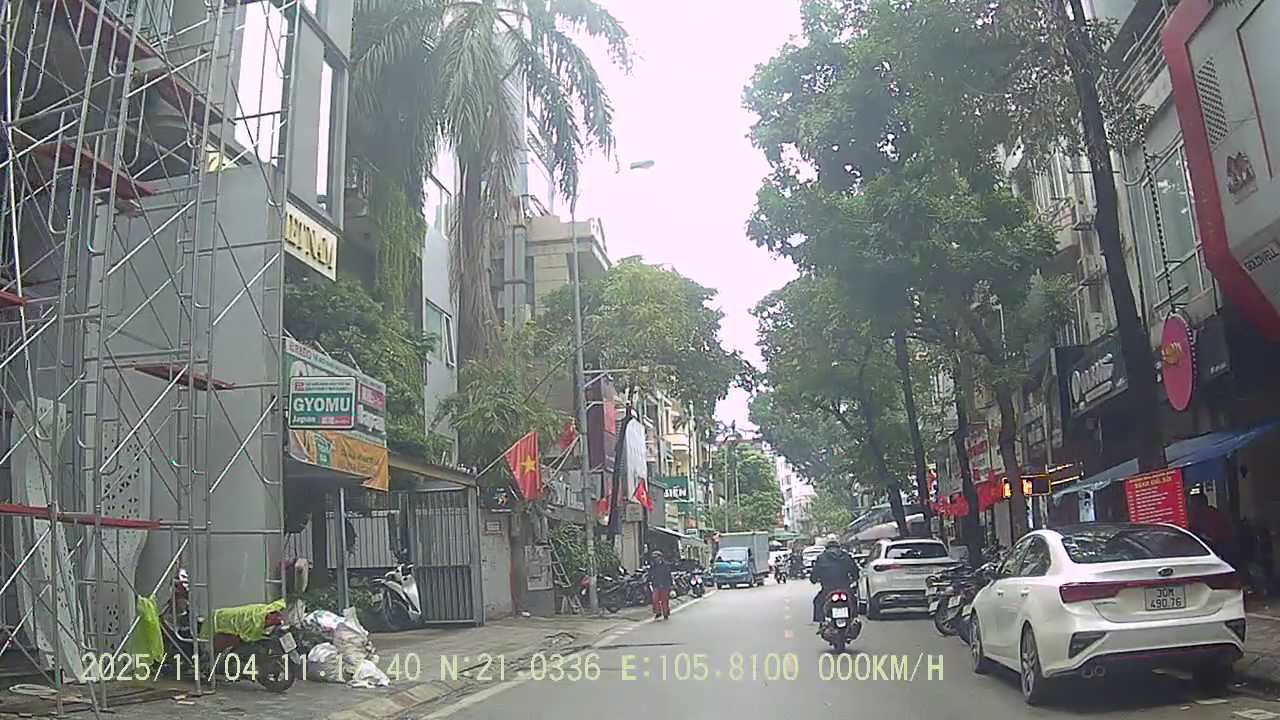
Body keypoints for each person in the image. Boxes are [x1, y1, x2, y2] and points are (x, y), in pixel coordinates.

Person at [810, 535, 858, 629]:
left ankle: (822, 622)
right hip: (845, 589)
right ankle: (854, 618)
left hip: (828, 590)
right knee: (853, 600)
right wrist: (854, 579)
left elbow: (814, 575)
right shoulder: (846, 556)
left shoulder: (821, 558)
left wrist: (814, 579)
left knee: (817, 602)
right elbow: (855, 571)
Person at [648, 550, 674, 620]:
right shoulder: (653, 566)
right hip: (656, 584)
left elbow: (668, 575)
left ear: (660, 557)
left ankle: (665, 613)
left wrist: (671, 585)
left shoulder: (665, 565)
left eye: (656, 557)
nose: (655, 559)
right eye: (654, 558)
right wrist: (650, 581)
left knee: (664, 600)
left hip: (664, 585)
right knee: (655, 599)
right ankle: (658, 612)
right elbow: (650, 574)